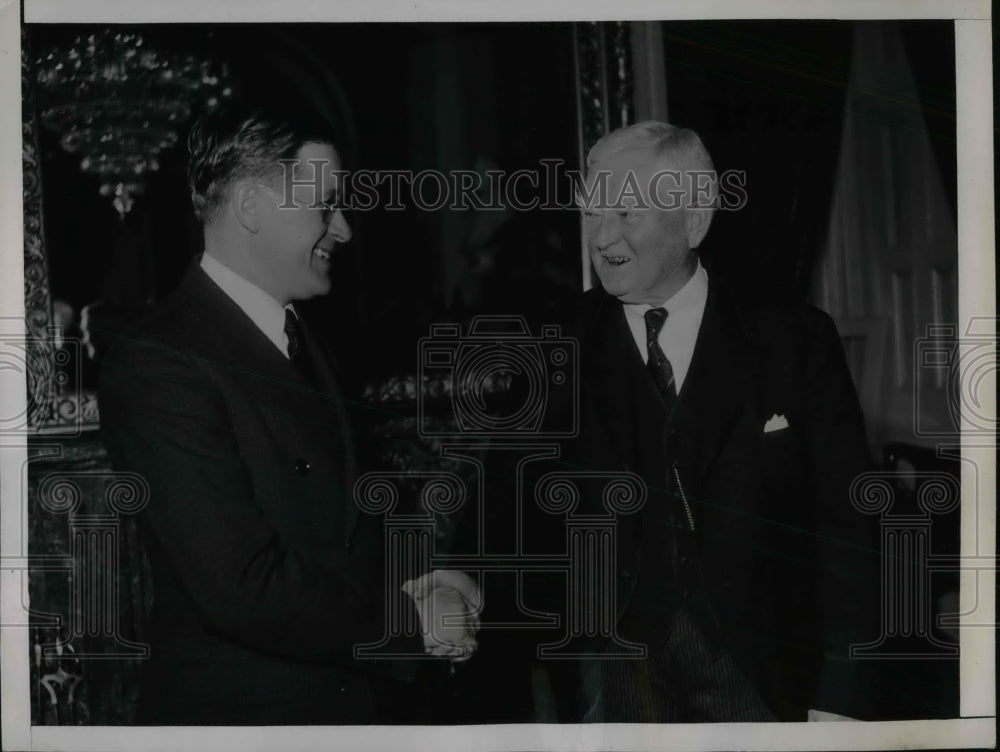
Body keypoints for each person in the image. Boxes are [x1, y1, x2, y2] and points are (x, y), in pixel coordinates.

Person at [98, 101, 479, 725]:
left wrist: (431, 583)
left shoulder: (304, 338)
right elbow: (241, 587)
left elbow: (338, 532)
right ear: (250, 207)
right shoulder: (159, 361)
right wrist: (413, 623)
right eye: (325, 205)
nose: (345, 228)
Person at [538, 120, 879, 722]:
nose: (602, 236)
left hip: (759, 676)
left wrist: (839, 697)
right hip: (616, 680)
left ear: (695, 221)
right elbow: (508, 491)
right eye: (593, 213)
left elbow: (847, 525)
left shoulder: (793, 340)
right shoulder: (557, 346)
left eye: (626, 213)